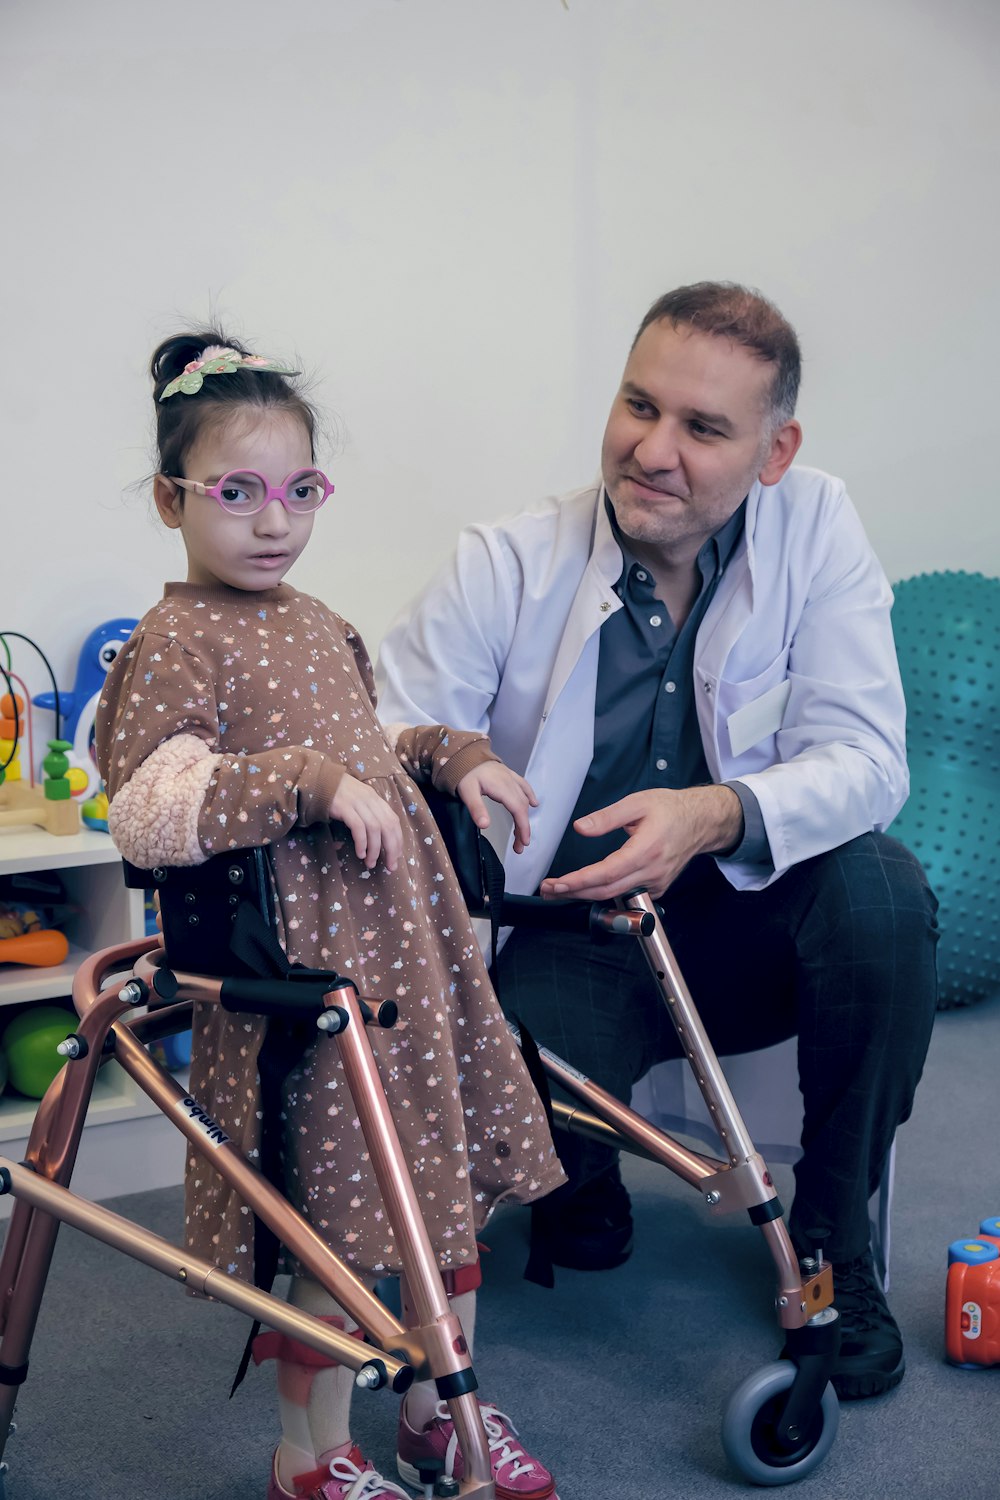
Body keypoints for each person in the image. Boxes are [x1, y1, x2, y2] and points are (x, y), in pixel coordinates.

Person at [376, 281, 939, 1402]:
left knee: (882, 892)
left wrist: (715, 812)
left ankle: (833, 1244)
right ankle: (581, 1176)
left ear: (773, 451)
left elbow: (871, 759)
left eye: (702, 428)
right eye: (639, 406)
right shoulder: (507, 557)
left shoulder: (816, 524)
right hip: (574, 928)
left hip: (744, 919)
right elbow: (389, 722)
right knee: (531, 1124)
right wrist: (454, 759)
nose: (653, 450)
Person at [95, 332, 565, 1500]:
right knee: (337, 1229)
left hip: (416, 962)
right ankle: (313, 1454)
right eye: (237, 492)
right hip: (314, 985)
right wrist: (299, 782)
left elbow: (370, 751)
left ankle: (433, 1410)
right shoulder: (175, 638)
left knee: (442, 1201)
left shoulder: (320, 621)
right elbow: (149, 803)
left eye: (299, 490)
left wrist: (449, 756)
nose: (274, 521)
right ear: (172, 500)